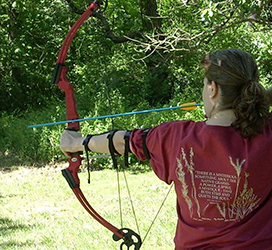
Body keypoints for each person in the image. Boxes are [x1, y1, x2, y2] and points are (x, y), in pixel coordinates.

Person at [60, 48, 272, 249]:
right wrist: (261, 98)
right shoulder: (267, 135)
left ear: (213, 89)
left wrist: (76, 143)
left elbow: (121, 141)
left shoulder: (176, 137)